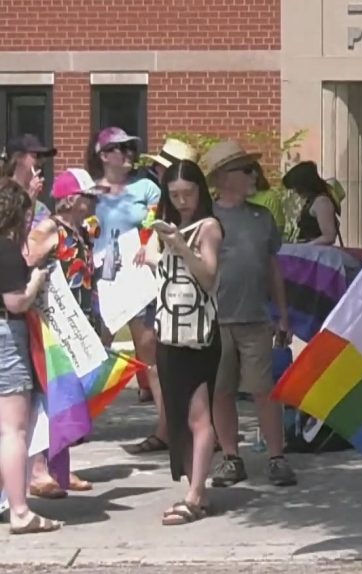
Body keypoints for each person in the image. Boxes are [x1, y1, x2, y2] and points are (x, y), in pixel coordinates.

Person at [203, 140, 296, 488]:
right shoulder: (207, 219)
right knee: (221, 391)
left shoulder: (262, 218)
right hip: (216, 320)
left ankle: (276, 457)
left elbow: (274, 269)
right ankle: (231, 457)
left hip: (256, 318)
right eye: (246, 170)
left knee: (264, 389)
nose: (253, 175)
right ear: (225, 178)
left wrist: (283, 314)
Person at [141, 160, 223, 525]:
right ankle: (197, 490)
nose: (182, 201)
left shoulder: (208, 227)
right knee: (177, 416)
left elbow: (208, 277)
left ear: (200, 192)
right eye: (174, 196)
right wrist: (153, 254)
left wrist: (180, 246)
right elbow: (169, 275)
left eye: (188, 194)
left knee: (199, 415)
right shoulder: (166, 227)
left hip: (199, 335)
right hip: (170, 331)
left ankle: (194, 495)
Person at [87, 127, 168, 454]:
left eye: (130, 148)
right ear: (104, 155)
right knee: (92, 351)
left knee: (149, 353)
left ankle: (166, 427)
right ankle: (77, 423)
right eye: (119, 149)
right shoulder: (91, 193)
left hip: (138, 277)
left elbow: (159, 222)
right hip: (102, 277)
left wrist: (148, 242)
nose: (128, 154)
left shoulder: (147, 187)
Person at [23, 169, 104, 496]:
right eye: (89, 196)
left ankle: (60, 466)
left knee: (69, 395)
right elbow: (25, 259)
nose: (94, 201)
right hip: (51, 326)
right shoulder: (49, 228)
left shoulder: (81, 231)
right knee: (48, 394)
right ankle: (38, 470)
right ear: (71, 199)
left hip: (77, 324)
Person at [0, 178, 62, 534]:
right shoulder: (7, 249)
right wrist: (37, 279)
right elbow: (16, 302)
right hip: (7, 336)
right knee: (14, 430)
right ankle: (20, 511)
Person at [1, 134, 56, 227]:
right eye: (35, 156)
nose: (41, 161)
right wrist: (29, 200)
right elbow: (11, 234)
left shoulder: (42, 210)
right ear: (18, 157)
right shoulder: (3, 194)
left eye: (42, 157)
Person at [281, 161, 340, 245]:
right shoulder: (311, 201)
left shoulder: (322, 202)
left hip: (316, 253)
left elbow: (329, 236)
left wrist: (306, 247)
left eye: (296, 187)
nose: (295, 191)